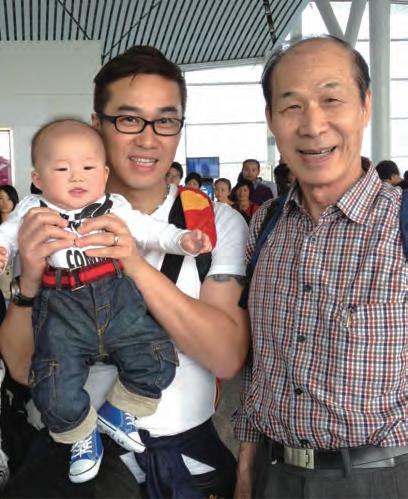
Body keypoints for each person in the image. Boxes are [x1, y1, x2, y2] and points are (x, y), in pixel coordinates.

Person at [0, 46, 249, 498]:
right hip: (62, 468)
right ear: (97, 124)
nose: (148, 139)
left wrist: (132, 261)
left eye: (166, 121)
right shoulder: (43, 219)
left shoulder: (210, 222)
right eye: (129, 119)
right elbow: (21, 368)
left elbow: (227, 357)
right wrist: (29, 282)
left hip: (181, 467)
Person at [234, 35, 408, 499]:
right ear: (271, 119)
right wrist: (246, 466)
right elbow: (257, 361)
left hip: (383, 477)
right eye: (292, 106)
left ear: (365, 106)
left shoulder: (401, 224)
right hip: (273, 474)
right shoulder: (265, 227)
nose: (312, 126)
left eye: (332, 100)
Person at [0, 118, 212, 484]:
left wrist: (182, 240)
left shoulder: (114, 206)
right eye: (62, 169)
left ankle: (118, 412)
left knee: (157, 358)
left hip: (116, 299)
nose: (76, 177)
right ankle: (82, 436)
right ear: (38, 178)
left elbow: (150, 231)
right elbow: (7, 234)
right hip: (61, 308)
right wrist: (3, 249)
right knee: (53, 384)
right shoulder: (32, 210)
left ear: (104, 173)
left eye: (88, 168)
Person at [0, 186, 19, 306]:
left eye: (9, 198)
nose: (5, 203)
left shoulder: (22, 226)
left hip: (18, 288)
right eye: (1, 198)